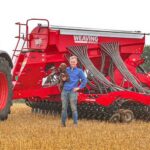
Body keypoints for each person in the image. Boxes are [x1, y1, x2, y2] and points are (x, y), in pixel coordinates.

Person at [61, 55, 87, 127]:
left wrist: (78, 88)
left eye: (74, 62)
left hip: (73, 91)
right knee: (64, 108)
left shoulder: (79, 71)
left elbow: (84, 80)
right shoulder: (66, 70)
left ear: (76, 62)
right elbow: (61, 78)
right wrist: (63, 79)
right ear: (69, 62)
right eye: (71, 61)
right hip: (65, 91)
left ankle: (75, 124)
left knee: (73, 108)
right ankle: (63, 124)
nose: (72, 63)